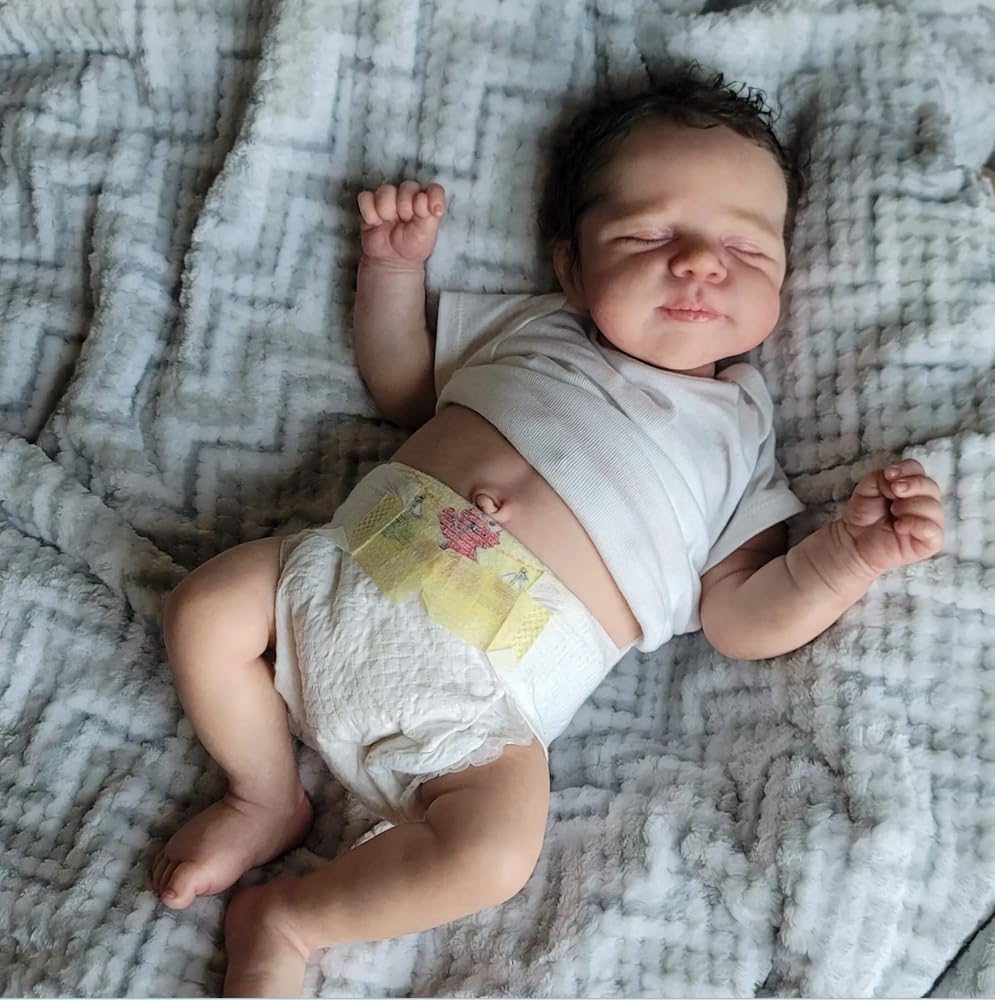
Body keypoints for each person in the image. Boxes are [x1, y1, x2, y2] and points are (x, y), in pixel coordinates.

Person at [151, 69, 945, 996]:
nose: (698, 262)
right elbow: (404, 387)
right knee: (203, 609)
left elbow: (740, 617)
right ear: (571, 266)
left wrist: (849, 553)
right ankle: (261, 794)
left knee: (492, 855)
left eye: (745, 248)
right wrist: (392, 273)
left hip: (478, 710)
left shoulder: (738, 440)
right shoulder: (532, 328)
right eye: (648, 235)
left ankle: (293, 920)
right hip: (333, 579)